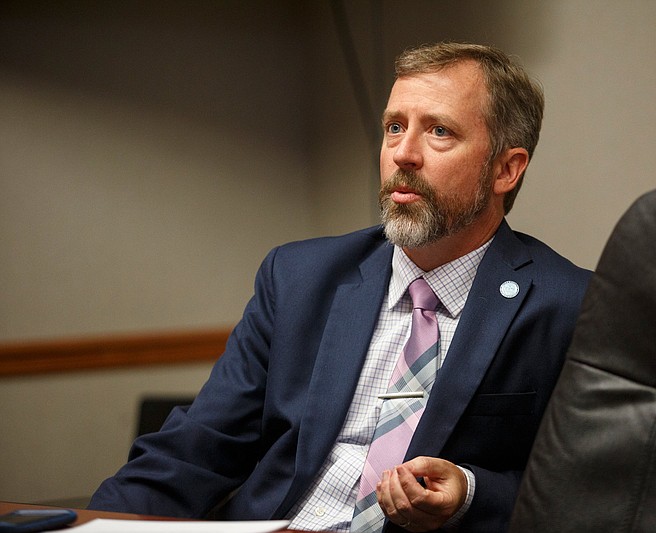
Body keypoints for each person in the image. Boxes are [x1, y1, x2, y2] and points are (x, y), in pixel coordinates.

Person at [88, 41, 591, 532]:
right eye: (394, 127)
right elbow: (197, 448)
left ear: (507, 168)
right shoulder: (301, 278)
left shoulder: (570, 305)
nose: (403, 154)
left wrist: (471, 493)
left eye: (439, 131)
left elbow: (592, 493)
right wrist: (94, 525)